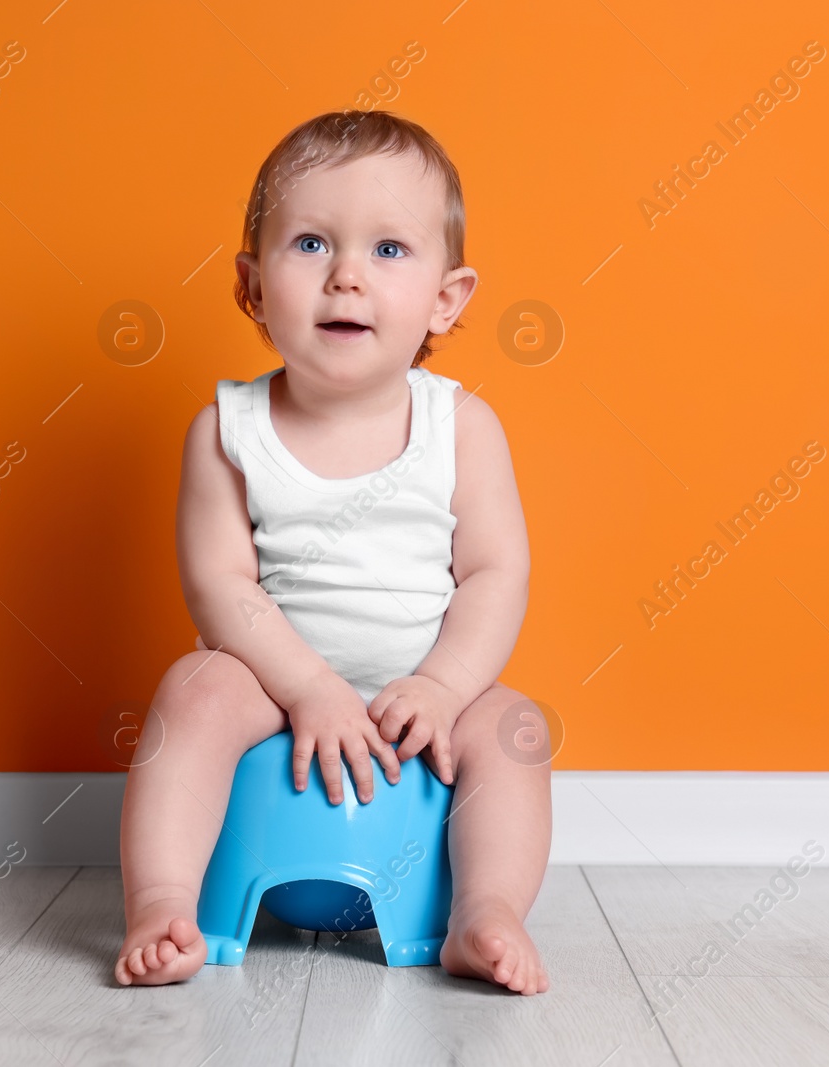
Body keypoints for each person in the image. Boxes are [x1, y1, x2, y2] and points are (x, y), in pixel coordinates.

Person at [115, 110, 551, 995]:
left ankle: (486, 910)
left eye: (389, 250)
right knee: (191, 689)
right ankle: (162, 902)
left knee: (517, 728)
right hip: (273, 688)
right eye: (311, 243)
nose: (347, 276)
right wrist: (308, 685)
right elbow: (221, 588)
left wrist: (444, 686)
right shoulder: (225, 432)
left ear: (446, 296)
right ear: (252, 285)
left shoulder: (461, 428)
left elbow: (495, 575)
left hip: (422, 690)